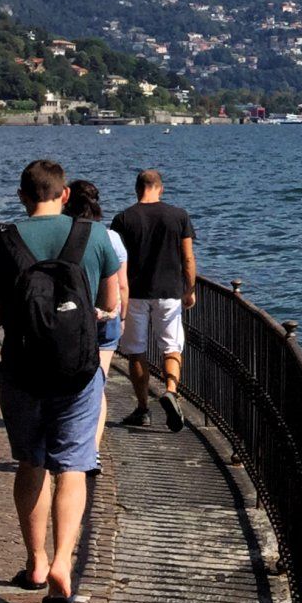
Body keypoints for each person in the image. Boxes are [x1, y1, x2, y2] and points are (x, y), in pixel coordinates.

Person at [0, 159, 119, 603]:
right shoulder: (94, 236)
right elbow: (111, 306)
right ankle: (63, 565)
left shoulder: (1, 241)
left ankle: (36, 562)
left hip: (20, 370)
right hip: (78, 372)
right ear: (63, 194)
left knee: (31, 462)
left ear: (22, 196)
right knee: (73, 467)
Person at [110, 169, 196, 433]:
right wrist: (189, 289)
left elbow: (116, 261)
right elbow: (188, 258)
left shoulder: (123, 219)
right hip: (169, 291)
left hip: (135, 293)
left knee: (136, 351)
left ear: (137, 189)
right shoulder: (178, 216)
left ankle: (143, 408)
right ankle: (171, 390)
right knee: (171, 347)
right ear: (161, 188)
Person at [66, 180, 128, 452]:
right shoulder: (110, 236)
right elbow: (121, 285)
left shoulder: (63, 232)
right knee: (97, 384)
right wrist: (121, 316)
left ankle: (69, 440)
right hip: (106, 317)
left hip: (71, 317)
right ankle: (93, 449)